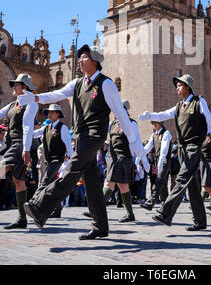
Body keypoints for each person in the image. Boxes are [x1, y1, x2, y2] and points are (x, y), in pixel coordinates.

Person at [18, 44, 148, 240]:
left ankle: (40, 206)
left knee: (71, 170)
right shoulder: (78, 83)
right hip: (80, 137)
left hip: (95, 136)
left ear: (95, 60)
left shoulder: (106, 84)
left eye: (84, 57)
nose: (80, 60)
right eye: (79, 57)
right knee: (93, 184)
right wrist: (35, 97)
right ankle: (100, 227)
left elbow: (120, 114)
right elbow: (57, 94)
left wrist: (135, 143)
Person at [139, 74, 211, 231]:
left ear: (187, 87)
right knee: (192, 185)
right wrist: (150, 116)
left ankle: (166, 213)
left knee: (181, 178)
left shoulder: (199, 102)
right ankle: (200, 221)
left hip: (193, 147)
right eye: (177, 85)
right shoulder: (180, 106)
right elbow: (164, 114)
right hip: (182, 148)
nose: (177, 88)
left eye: (180, 85)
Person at [0, 74, 38, 229]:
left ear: (25, 87)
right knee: (18, 181)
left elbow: (29, 127)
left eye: (16, 85)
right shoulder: (11, 106)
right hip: (12, 145)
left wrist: (27, 149)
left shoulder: (31, 104)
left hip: (21, 144)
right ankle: (22, 219)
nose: (13, 87)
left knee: (1, 169)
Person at [102, 100, 149, 222]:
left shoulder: (131, 123)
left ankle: (96, 209)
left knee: (109, 183)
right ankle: (130, 214)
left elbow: (137, 141)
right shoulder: (112, 124)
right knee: (123, 187)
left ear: (124, 110)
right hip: (112, 158)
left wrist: (142, 159)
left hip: (123, 157)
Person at [30, 104, 73, 218]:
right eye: (48, 112)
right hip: (50, 161)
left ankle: (33, 203)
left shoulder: (62, 127)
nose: (49, 114)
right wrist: (26, 129)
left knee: (45, 181)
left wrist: (71, 158)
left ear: (58, 114)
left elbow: (68, 144)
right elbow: (34, 134)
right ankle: (58, 210)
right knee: (54, 186)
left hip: (57, 160)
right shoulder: (46, 127)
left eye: (52, 112)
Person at [140, 120, 172, 211]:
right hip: (158, 160)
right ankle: (165, 205)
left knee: (158, 181)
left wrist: (161, 163)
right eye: (153, 123)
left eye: (155, 123)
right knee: (163, 183)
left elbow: (164, 150)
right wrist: (140, 154)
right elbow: (147, 147)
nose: (154, 125)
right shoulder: (154, 135)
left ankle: (150, 203)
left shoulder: (166, 133)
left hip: (164, 160)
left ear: (161, 123)